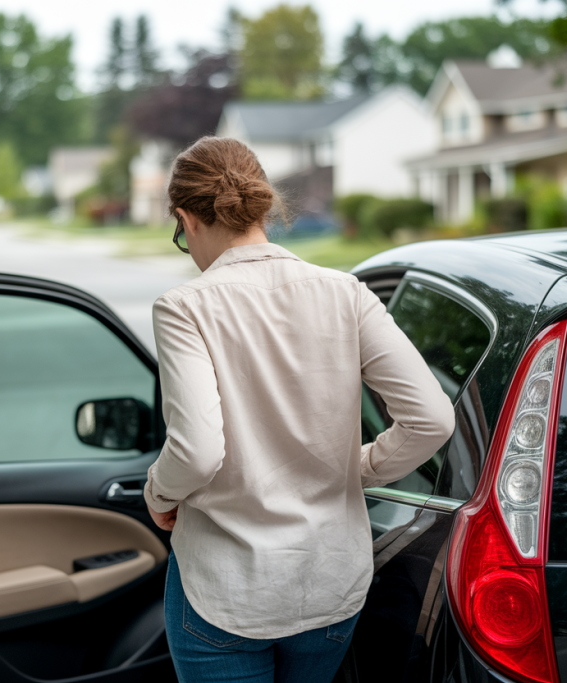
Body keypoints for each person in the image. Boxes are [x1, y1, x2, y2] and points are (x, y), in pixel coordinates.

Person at [143, 136, 455, 683]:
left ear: (185, 218)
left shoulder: (185, 306)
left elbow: (195, 452)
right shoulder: (346, 292)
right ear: (262, 207)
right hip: (329, 584)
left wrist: (158, 493)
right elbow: (432, 418)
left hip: (227, 590)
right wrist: (356, 467)